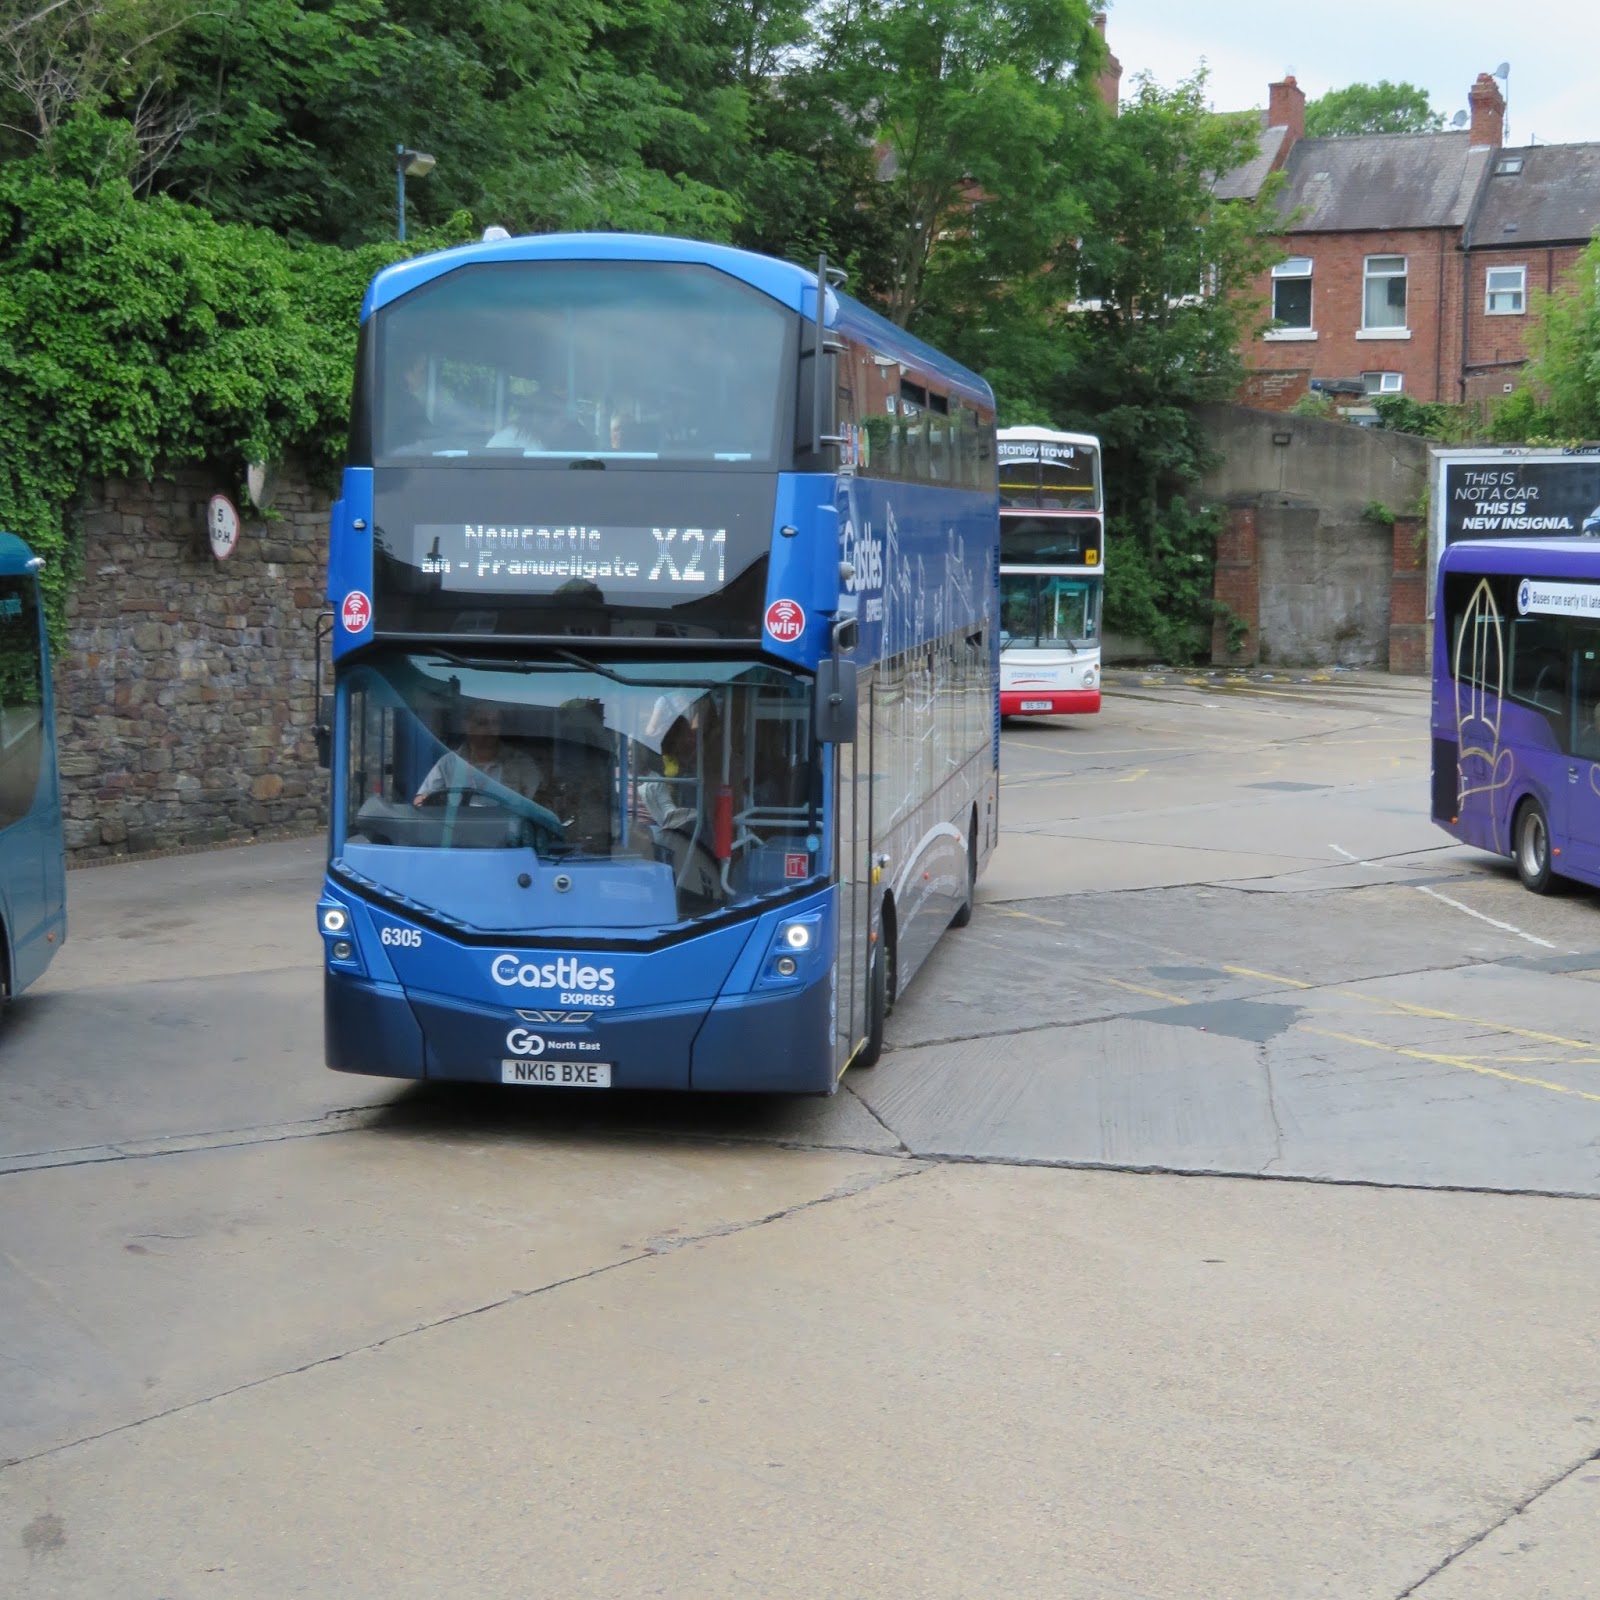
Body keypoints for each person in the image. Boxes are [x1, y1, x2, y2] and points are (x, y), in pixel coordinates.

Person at [414, 705, 544, 808]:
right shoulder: (448, 763)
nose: (490, 729)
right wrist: (422, 801)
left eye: (495, 723)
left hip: (507, 838)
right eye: (483, 723)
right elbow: (423, 800)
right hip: (457, 837)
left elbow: (538, 808)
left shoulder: (522, 764)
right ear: (467, 725)